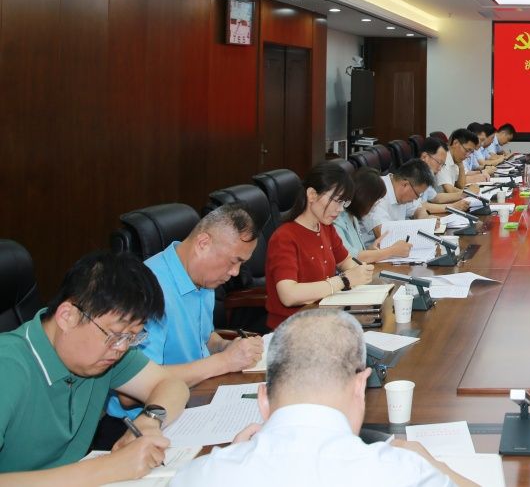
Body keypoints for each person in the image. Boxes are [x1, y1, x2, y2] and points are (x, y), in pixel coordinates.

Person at [171, 309, 470, 486]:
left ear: (263, 398)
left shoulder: (198, 476)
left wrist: (229, 458)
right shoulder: (406, 473)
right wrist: (436, 467)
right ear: (360, 387)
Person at [0, 251, 189, 485]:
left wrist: (149, 420)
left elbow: (171, 385)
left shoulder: (103, 355)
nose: (121, 348)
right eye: (116, 335)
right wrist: (109, 467)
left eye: (132, 337)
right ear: (67, 316)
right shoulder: (7, 367)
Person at [99, 205, 265, 448]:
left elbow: (203, 336)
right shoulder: (148, 289)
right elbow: (128, 395)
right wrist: (224, 362)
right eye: (233, 261)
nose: (235, 272)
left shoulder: (203, 278)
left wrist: (224, 346)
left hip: (194, 401)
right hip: (140, 423)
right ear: (203, 243)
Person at [266, 162, 375, 329]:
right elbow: (289, 295)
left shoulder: (325, 227)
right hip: (292, 328)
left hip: (324, 318)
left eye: (344, 203)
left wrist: (361, 272)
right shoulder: (284, 237)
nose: (340, 209)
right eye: (336, 201)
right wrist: (344, 280)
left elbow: (346, 262)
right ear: (312, 194)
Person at [332, 167, 413, 262]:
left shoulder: (353, 217)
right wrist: (392, 251)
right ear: (364, 197)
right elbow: (349, 257)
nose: (375, 205)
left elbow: (359, 251)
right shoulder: (337, 219)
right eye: (375, 200)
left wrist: (371, 249)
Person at [362, 159, 437, 240]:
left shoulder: (401, 190)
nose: (416, 199)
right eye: (417, 194)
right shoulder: (377, 191)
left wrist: (425, 219)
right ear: (405, 185)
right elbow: (384, 236)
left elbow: (418, 209)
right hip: (374, 246)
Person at [414, 139, 471, 216]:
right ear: (425, 157)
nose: (440, 168)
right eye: (439, 162)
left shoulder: (426, 174)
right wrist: (453, 207)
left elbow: (435, 197)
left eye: (442, 165)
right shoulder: (413, 175)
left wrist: (463, 194)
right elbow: (419, 206)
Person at [436, 129, 476, 194]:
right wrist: (470, 192)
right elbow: (450, 190)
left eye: (471, 152)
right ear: (455, 143)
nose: (468, 155)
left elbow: (461, 185)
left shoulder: (455, 159)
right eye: (467, 150)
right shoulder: (444, 157)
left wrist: (461, 165)